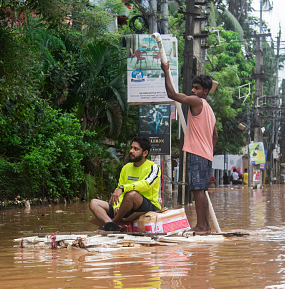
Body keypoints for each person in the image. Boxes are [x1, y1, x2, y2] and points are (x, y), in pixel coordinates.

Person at [161, 61, 218, 234]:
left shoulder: (196, 101)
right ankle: (206, 226)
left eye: (197, 88)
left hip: (197, 153)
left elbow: (172, 94)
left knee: (198, 189)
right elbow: (215, 136)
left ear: (205, 92)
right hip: (205, 154)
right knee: (201, 189)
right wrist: (208, 150)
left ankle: (202, 226)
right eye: (193, 87)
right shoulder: (210, 110)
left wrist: (166, 70)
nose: (193, 91)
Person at [89, 136, 161, 231]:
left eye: (136, 149)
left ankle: (114, 222)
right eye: (131, 148)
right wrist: (117, 206)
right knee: (94, 203)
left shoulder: (153, 167)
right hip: (126, 207)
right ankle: (111, 225)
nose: (131, 151)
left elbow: (146, 184)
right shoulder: (126, 167)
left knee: (132, 194)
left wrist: (124, 188)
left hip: (148, 206)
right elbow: (119, 189)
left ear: (145, 153)